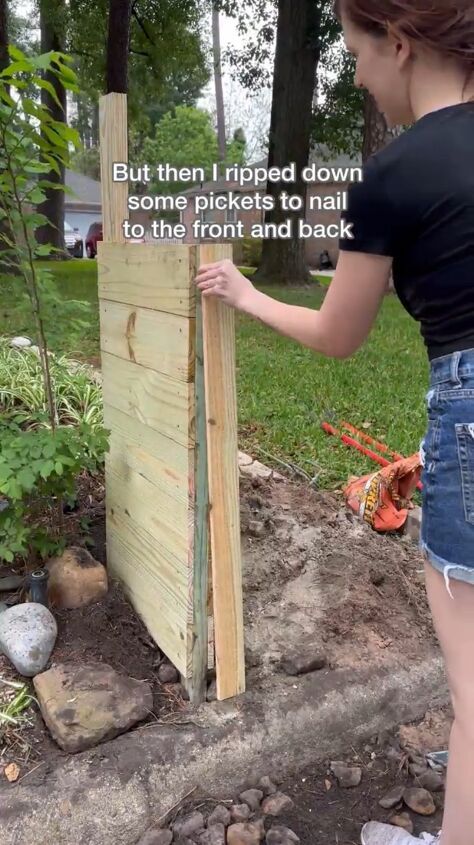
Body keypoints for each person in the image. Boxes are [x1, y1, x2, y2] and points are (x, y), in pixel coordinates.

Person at [195, 1, 474, 843]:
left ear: (399, 43)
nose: (354, 75)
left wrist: (246, 295)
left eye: (356, 54)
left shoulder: (397, 174)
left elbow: (339, 334)